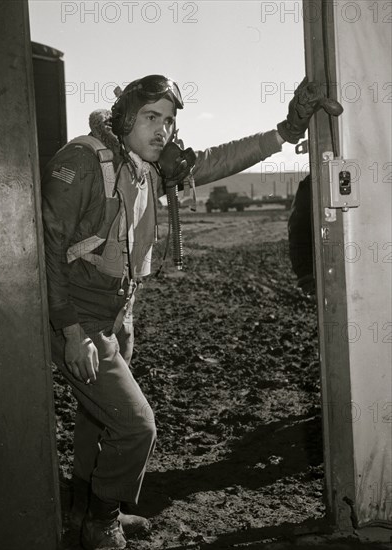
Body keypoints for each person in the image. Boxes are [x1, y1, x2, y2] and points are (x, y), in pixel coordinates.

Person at [41, 75, 342, 550]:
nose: (162, 130)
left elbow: (222, 159)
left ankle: (85, 510)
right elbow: (49, 247)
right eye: (150, 117)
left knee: (97, 418)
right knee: (136, 425)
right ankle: (101, 521)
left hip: (120, 312)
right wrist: (71, 331)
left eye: (168, 120)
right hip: (80, 316)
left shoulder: (147, 165)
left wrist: (286, 129)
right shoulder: (82, 162)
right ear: (125, 117)